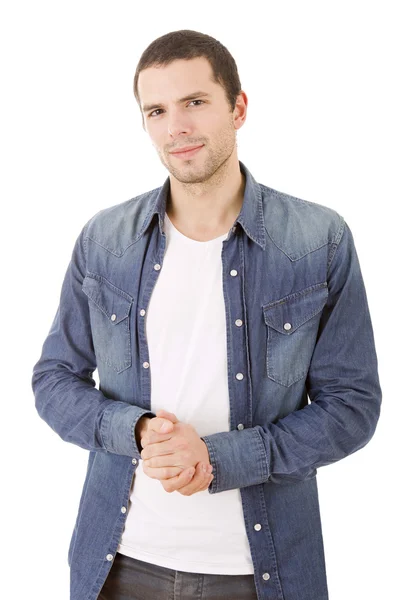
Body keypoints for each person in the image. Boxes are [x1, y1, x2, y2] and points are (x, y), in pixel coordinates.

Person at [31, 29, 382, 600]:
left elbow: (353, 407)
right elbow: (53, 380)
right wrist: (138, 432)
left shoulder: (319, 241)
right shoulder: (104, 240)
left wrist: (220, 458)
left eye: (194, 102)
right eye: (157, 110)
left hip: (262, 574)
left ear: (237, 108)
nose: (177, 127)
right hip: (117, 563)